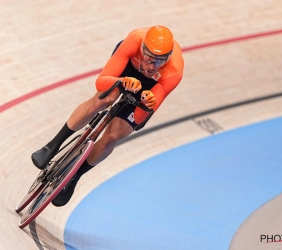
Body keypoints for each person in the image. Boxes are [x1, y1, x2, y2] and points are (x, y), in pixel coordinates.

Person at [31, 25, 184, 207]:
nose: (152, 66)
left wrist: (145, 102)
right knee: (103, 100)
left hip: (149, 87)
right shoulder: (134, 40)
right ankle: (52, 146)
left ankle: (73, 177)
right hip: (127, 70)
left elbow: (140, 119)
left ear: (167, 58)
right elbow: (101, 83)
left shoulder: (174, 71)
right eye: (150, 58)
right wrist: (121, 81)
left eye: (159, 62)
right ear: (143, 48)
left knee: (113, 137)